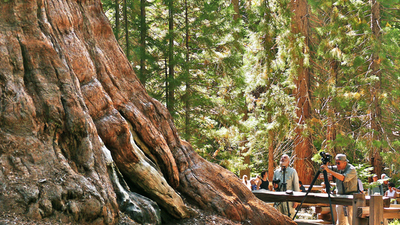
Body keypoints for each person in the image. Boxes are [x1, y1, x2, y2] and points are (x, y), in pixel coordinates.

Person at [321, 153, 358, 225]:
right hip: (340, 197)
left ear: (345, 162)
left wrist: (329, 171)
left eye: (338, 163)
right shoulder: (339, 168)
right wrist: (325, 166)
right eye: (336, 163)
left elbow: (343, 178)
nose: (337, 165)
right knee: (340, 222)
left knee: (352, 221)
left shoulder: (351, 169)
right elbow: (330, 168)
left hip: (350, 198)